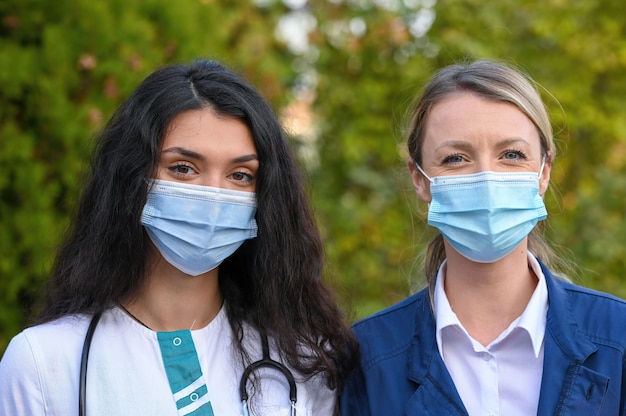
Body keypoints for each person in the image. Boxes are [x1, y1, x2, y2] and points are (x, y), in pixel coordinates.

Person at [0, 59, 358, 416]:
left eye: (240, 175)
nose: (214, 196)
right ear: (132, 178)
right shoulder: (44, 362)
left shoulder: (305, 364)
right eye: (183, 168)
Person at [340, 60, 626, 415]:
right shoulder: (367, 358)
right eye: (456, 158)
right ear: (419, 178)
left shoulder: (619, 339)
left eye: (512, 155)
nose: (487, 177)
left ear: (543, 172)